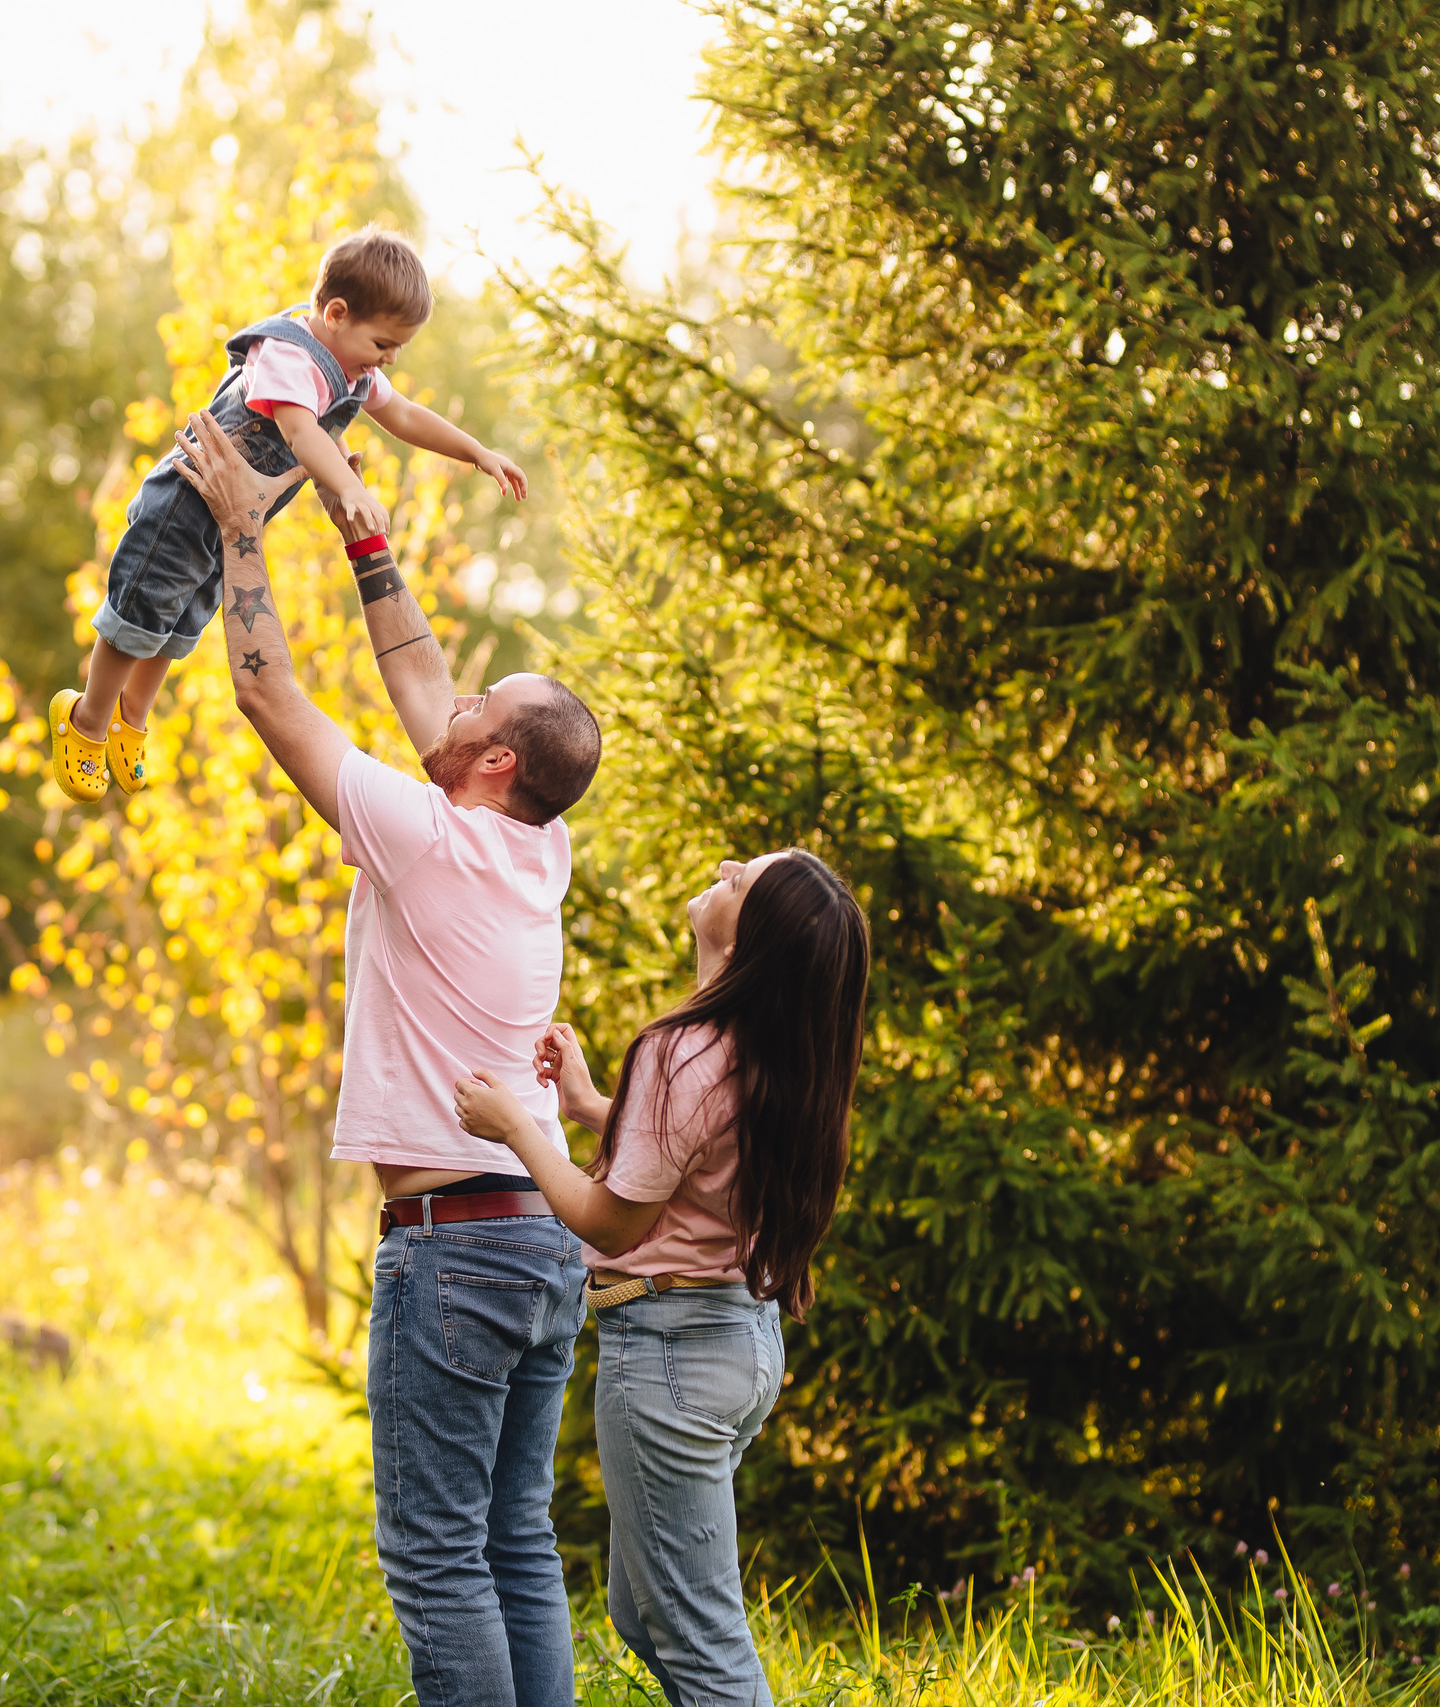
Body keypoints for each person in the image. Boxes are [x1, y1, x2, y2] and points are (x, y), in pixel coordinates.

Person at [159, 407, 601, 1707]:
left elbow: (264, 693)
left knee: (436, 1555)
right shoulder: (538, 844)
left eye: (478, 705)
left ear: (495, 759)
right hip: (541, 1240)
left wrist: (244, 532)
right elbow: (421, 686)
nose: (451, 696)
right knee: (515, 1541)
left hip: (454, 1249)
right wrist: (365, 532)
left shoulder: (429, 836)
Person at [451, 849, 872, 1707]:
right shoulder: (763, 1053)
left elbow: (611, 1220)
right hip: (738, 1344)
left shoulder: (682, 1051)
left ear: (746, 938)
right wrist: (588, 1105)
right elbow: (687, 1157)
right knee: (643, 1615)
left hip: (673, 1358)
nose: (724, 865)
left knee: (699, 1640)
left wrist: (516, 1129)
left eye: (741, 878)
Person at [47, 226, 529, 804]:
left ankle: (132, 717)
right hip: (183, 506)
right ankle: (87, 718)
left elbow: (403, 414)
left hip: (229, 518)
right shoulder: (287, 355)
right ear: (336, 313)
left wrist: (476, 452)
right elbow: (300, 432)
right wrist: (349, 487)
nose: (387, 360)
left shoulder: (354, 371)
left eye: (397, 349)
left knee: (180, 626)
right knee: (140, 617)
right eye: (382, 344)